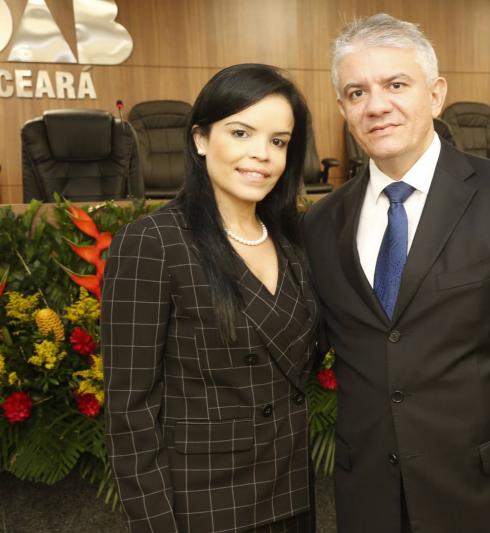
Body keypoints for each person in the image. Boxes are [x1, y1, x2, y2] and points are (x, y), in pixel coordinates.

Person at [303, 14, 490, 533]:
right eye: (356, 92)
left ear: (436, 95)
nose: (376, 105)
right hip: (369, 499)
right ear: (344, 108)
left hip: (489, 497)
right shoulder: (323, 222)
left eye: (396, 84)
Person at [101, 64, 319, 533]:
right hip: (205, 506)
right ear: (200, 138)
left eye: (279, 141)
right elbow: (130, 412)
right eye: (241, 133)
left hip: (290, 493)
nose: (261, 154)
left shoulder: (292, 240)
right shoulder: (154, 242)